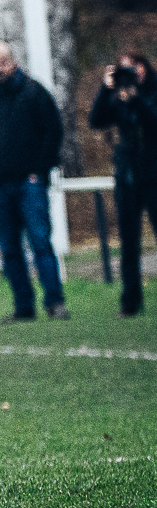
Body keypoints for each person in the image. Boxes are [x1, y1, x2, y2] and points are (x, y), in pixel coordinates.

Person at [0, 40, 69, 322]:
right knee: (10, 250)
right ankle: (24, 306)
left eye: (2, 63)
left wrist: (40, 170)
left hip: (29, 184)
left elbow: (53, 131)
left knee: (40, 242)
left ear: (12, 62)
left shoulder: (34, 93)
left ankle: (55, 301)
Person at [90, 53, 157, 316]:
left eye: (135, 67)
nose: (132, 74)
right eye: (125, 70)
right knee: (129, 242)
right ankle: (130, 300)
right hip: (127, 177)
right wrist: (105, 89)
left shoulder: (150, 93)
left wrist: (137, 100)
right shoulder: (118, 97)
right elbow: (96, 120)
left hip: (153, 176)